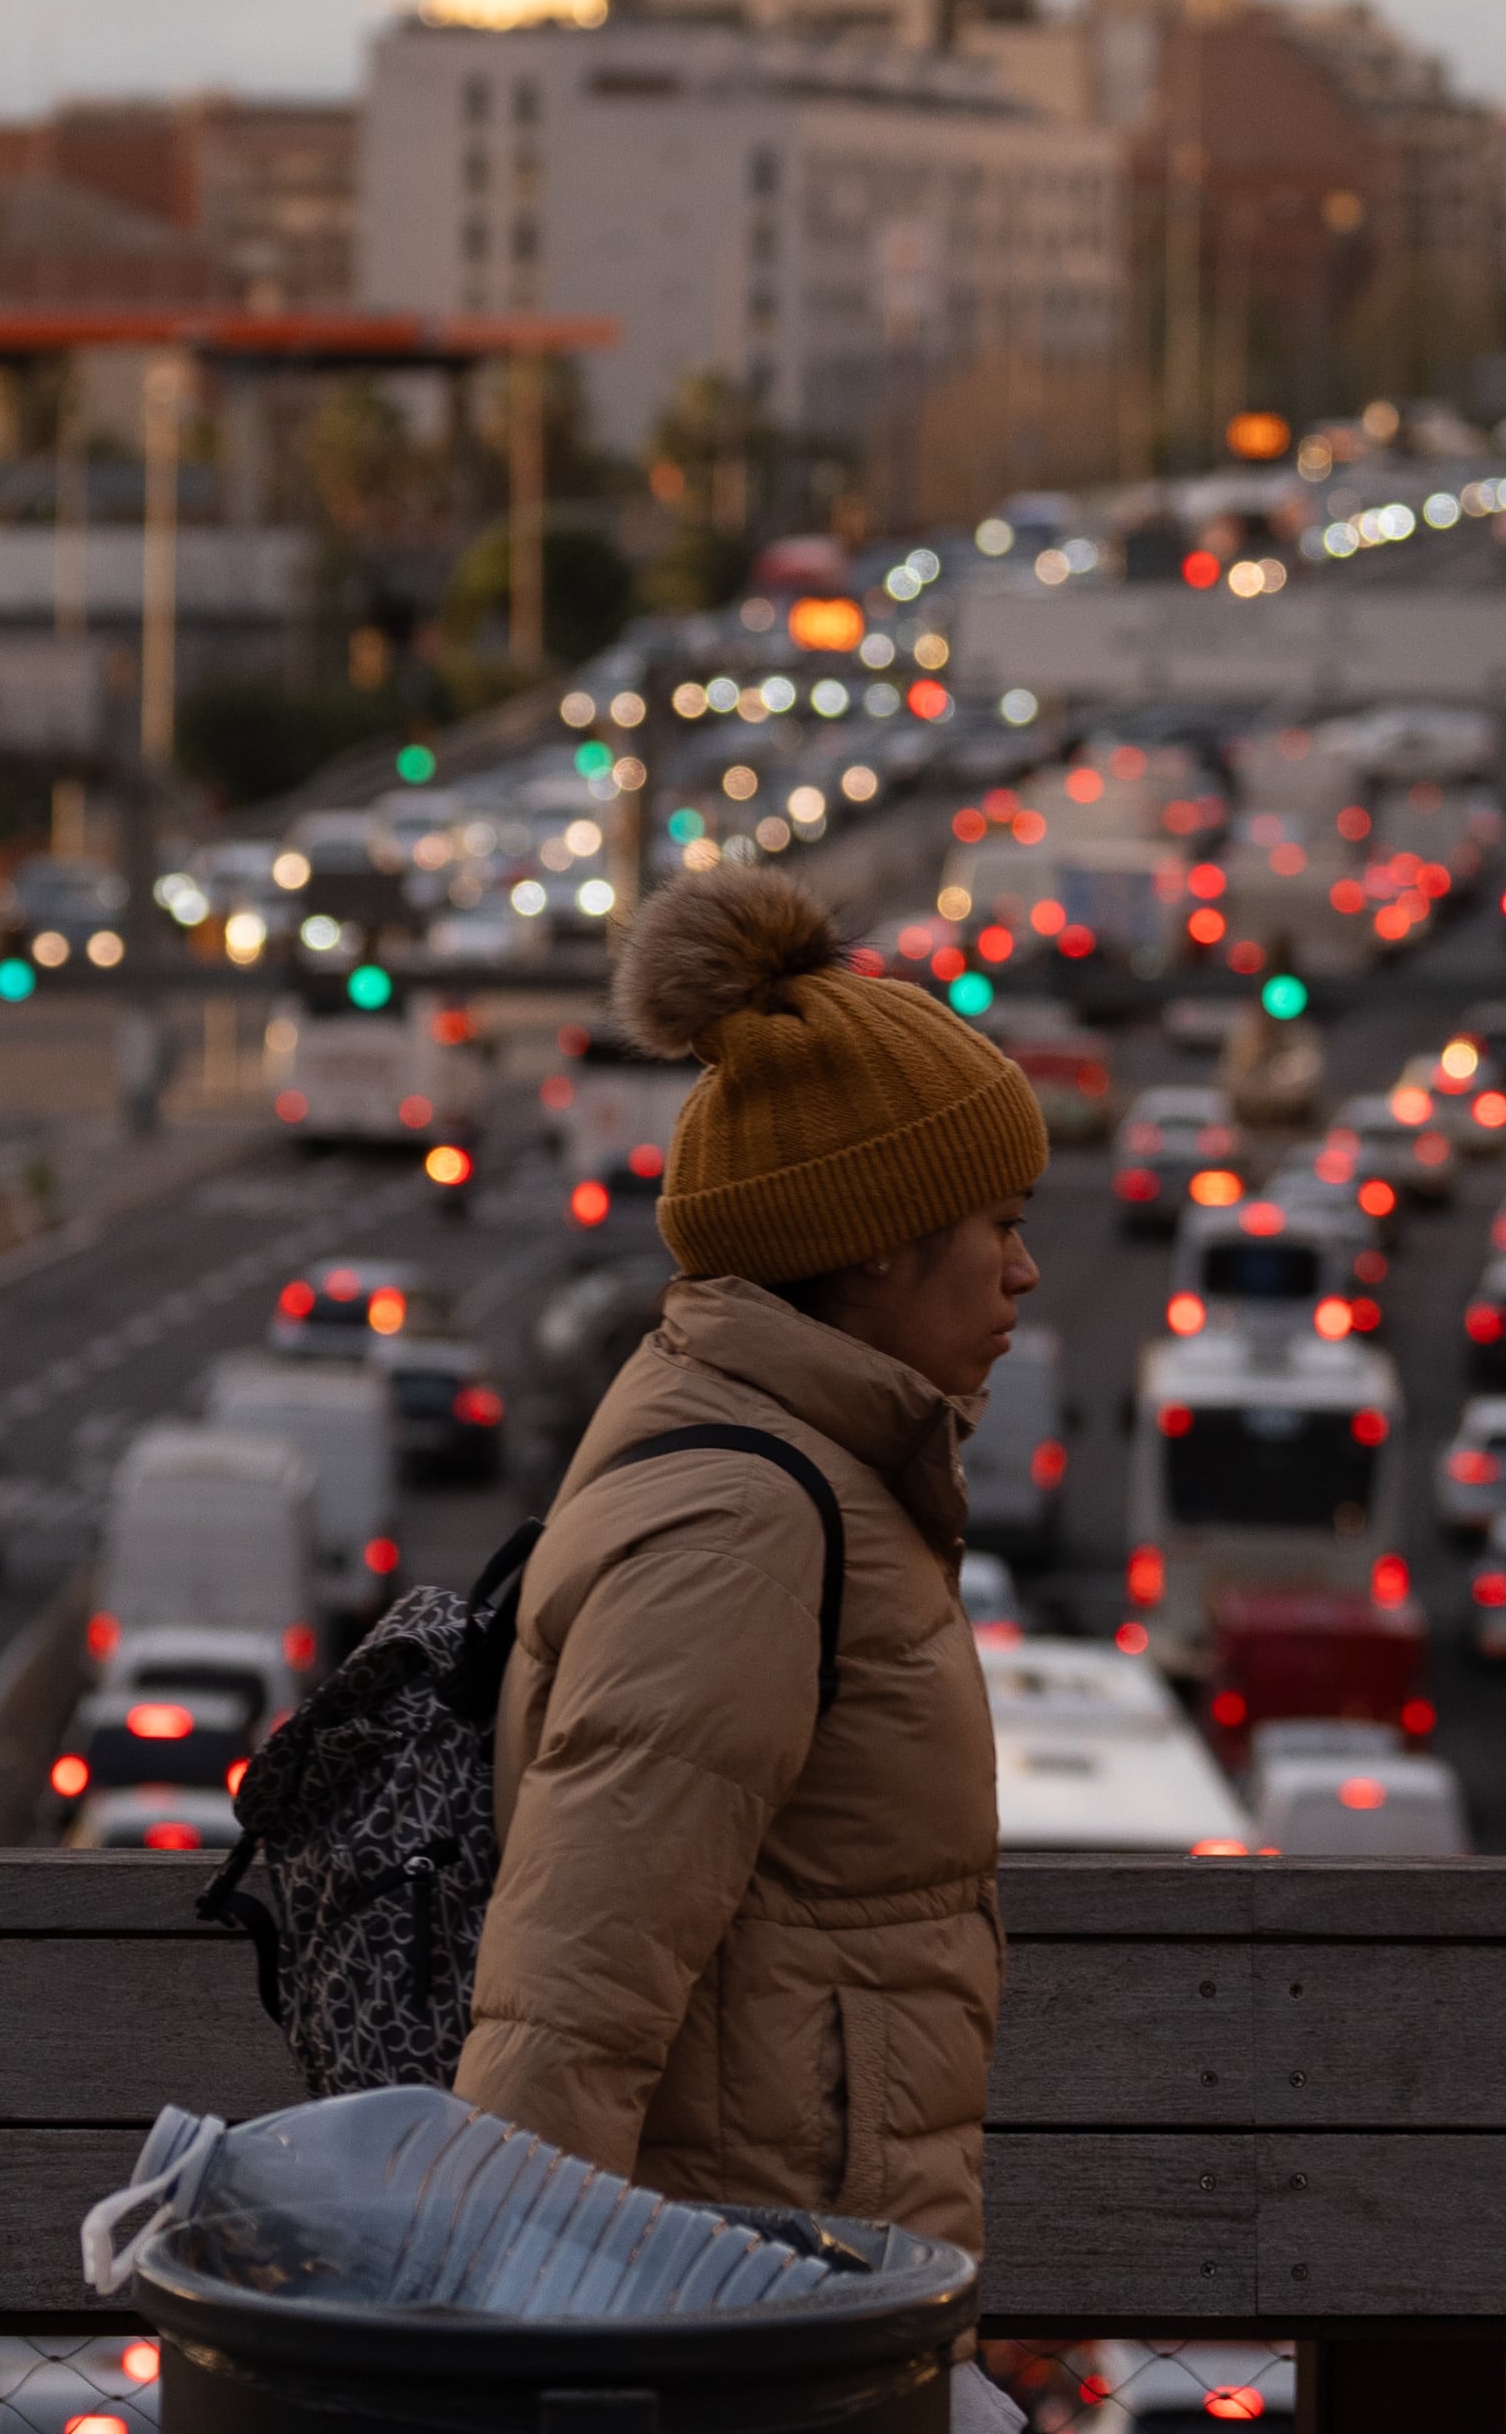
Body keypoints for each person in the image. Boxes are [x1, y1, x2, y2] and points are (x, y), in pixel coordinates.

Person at [453, 864, 1045, 2261]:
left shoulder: (805, 1469)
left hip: (803, 2285)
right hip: (743, 2309)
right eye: (1001, 1226)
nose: (1024, 1274)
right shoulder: (746, 1526)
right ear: (875, 1252)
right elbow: (570, 1998)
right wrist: (513, 2330)